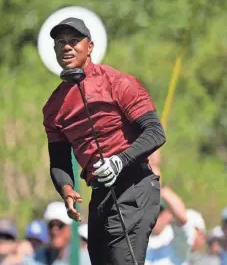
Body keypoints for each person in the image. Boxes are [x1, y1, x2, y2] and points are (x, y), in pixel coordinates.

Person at [43, 17, 165, 265]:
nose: (67, 47)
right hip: (99, 196)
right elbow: (59, 160)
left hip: (134, 187)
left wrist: (120, 161)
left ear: (90, 47)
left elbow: (155, 132)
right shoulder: (53, 107)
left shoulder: (118, 83)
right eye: (60, 42)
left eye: (74, 41)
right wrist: (66, 188)